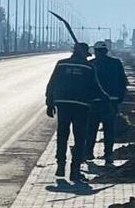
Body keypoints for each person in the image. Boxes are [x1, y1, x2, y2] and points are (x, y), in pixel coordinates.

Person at [45, 42, 108, 181]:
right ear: (85, 54)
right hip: (81, 106)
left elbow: (52, 84)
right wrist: (106, 98)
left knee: (62, 134)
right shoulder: (88, 67)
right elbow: (95, 87)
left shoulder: (61, 64)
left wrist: (49, 103)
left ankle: (61, 165)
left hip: (63, 103)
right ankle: (75, 171)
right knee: (80, 138)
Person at [84, 40, 130, 163]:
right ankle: (108, 154)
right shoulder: (116, 63)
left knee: (92, 130)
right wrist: (119, 99)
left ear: (96, 51)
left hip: (95, 103)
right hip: (110, 103)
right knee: (108, 130)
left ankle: (89, 153)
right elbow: (123, 82)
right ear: (105, 51)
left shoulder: (91, 64)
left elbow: (85, 85)